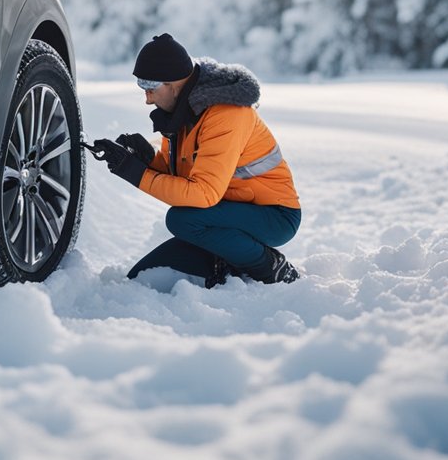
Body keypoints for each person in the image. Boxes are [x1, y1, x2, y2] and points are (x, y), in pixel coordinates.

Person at [90, 33, 302, 287]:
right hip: (225, 212)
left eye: (149, 87)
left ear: (173, 83)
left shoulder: (227, 114)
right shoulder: (183, 112)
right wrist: (145, 158)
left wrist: (136, 173)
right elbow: (183, 176)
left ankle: (271, 267)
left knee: (181, 220)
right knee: (139, 278)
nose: (147, 99)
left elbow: (202, 193)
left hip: (273, 215)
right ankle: (227, 259)